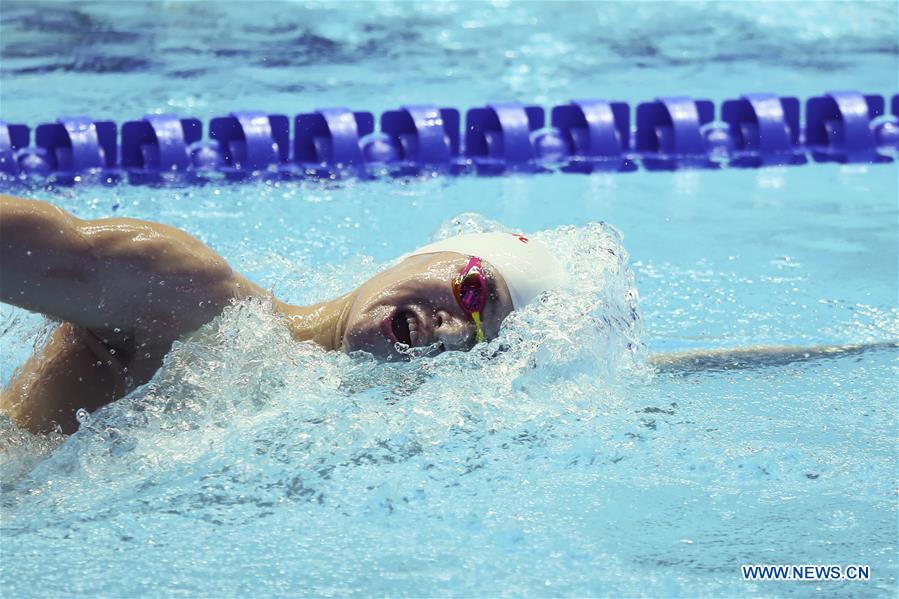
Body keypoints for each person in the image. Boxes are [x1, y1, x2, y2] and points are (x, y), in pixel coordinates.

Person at [0, 194, 567, 434]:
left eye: (481, 343)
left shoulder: (328, 425)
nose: (455, 332)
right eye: (475, 293)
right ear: (423, 255)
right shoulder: (184, 291)